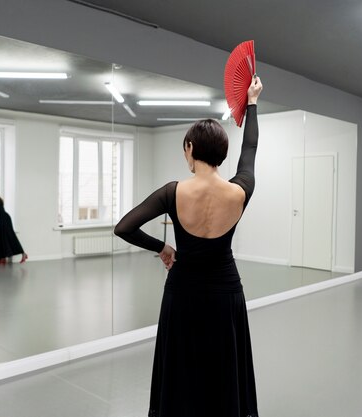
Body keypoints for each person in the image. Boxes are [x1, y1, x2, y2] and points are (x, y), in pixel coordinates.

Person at [114, 76, 263, 417]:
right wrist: (252, 103)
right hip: (226, 291)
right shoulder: (240, 190)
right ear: (222, 154)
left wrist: (164, 248)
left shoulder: (173, 191)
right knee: (224, 368)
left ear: (191, 149)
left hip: (183, 290)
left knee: (181, 369)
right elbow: (251, 149)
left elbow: (124, 227)